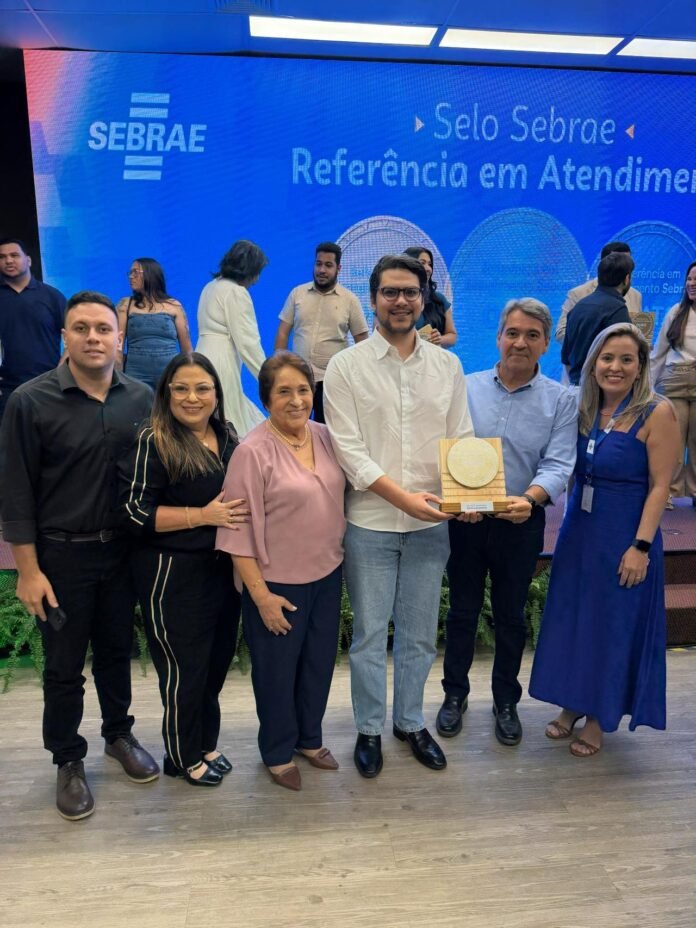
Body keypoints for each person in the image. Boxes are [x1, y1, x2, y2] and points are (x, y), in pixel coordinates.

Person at [0, 291, 158, 821]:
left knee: (116, 655)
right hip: (60, 559)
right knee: (64, 669)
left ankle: (119, 735)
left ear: (119, 338)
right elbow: (15, 493)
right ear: (64, 336)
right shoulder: (30, 401)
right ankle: (68, 759)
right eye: (82, 328)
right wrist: (27, 571)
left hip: (121, 555)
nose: (93, 337)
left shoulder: (141, 398)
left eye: (103, 329)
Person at [324, 254, 474, 779]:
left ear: (424, 297)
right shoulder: (346, 367)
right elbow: (348, 451)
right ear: (373, 299)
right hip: (370, 523)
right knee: (369, 634)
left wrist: (468, 498)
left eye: (410, 291)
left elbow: (462, 439)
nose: (401, 301)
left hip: (431, 524)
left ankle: (409, 722)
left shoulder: (448, 367)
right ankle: (369, 728)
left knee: (419, 635)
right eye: (390, 292)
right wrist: (403, 499)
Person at [529, 323, 679, 757]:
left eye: (626, 359)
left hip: (625, 535)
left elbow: (660, 487)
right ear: (593, 363)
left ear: (640, 366)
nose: (615, 367)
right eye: (607, 358)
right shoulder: (583, 408)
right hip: (580, 533)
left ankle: (598, 715)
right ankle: (573, 701)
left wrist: (641, 547)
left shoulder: (658, 412)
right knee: (577, 620)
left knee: (612, 626)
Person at [436, 299, 577, 746]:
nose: (520, 342)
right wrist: (458, 497)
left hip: (521, 520)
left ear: (545, 344)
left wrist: (530, 499)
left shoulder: (561, 400)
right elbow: (446, 446)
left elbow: (559, 463)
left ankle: (506, 702)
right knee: (462, 612)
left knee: (512, 617)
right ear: (498, 337)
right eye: (512, 333)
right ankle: (454, 695)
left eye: (532, 335)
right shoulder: (465, 387)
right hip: (466, 521)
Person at [217, 351, 346, 791]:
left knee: (318, 664)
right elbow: (236, 530)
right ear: (266, 399)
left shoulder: (325, 436)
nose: (296, 400)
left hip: (326, 574)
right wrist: (261, 597)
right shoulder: (251, 452)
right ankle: (276, 751)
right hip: (276, 583)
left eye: (303, 390)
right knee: (276, 673)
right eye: (284, 392)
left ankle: (309, 738)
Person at [120, 351, 244, 786]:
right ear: (166, 393)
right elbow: (133, 512)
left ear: (216, 394)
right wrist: (201, 516)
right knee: (182, 670)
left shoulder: (227, 435)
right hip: (170, 573)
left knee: (213, 665)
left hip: (220, 570)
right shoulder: (153, 439)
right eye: (182, 388)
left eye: (202, 388)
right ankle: (181, 757)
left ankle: (204, 744)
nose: (193, 397)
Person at [274, 242, 368, 423]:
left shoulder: (350, 300)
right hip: (298, 377)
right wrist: (279, 367)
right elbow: (283, 332)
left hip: (332, 380)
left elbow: (362, 341)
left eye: (328, 265)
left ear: (338, 268)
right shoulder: (297, 294)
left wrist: (358, 377)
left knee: (326, 431)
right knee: (291, 426)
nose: (322, 270)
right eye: (318, 264)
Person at [196, 240, 268, 437]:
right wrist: (269, 377)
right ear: (248, 269)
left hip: (201, 356)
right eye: (257, 272)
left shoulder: (210, 286)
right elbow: (248, 342)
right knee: (231, 418)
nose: (257, 279)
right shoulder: (236, 292)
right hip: (222, 361)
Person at [0, 238, 65, 420]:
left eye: (14, 255)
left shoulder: (52, 296)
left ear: (28, 260)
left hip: (48, 386)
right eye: (2, 257)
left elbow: (74, 336)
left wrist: (61, 372)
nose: (8, 260)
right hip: (6, 389)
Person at [650, 261, 696, 503]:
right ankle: (667, 492)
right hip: (674, 381)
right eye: (689, 279)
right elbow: (658, 353)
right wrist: (648, 387)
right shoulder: (675, 312)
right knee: (673, 442)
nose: (692, 284)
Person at [116, 257, 192, 390]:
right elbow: (118, 349)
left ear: (150, 274)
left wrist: (189, 380)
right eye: (130, 273)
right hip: (135, 380)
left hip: (169, 379)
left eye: (135, 272)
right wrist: (118, 382)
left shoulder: (174, 306)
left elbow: (187, 350)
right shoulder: (125, 305)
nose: (130, 277)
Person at [562, 251, 634, 386]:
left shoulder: (578, 307)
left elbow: (566, 357)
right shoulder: (617, 310)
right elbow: (624, 355)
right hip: (602, 389)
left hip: (575, 386)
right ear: (626, 279)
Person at [554, 241, 642, 345]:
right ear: (604, 264)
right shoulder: (578, 293)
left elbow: (639, 333)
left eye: (628, 263)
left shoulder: (636, 296)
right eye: (619, 262)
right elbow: (561, 332)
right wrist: (597, 344)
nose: (624, 268)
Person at [403, 246, 457, 348]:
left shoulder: (439, 299)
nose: (428, 268)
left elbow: (452, 336)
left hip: (434, 356)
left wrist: (440, 339)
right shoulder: (395, 301)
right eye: (422, 263)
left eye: (430, 264)